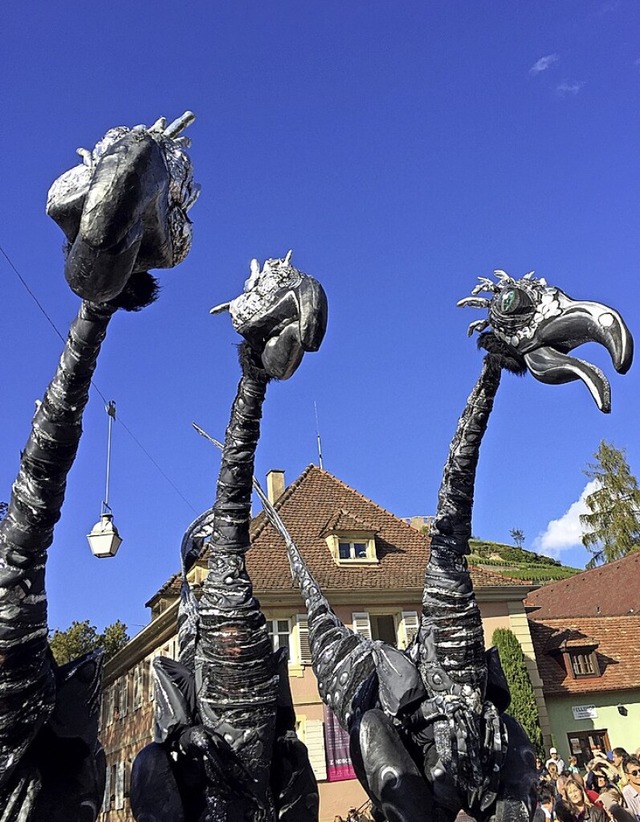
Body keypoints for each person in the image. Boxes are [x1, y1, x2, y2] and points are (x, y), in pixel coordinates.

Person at [621, 757, 640, 821]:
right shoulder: (626, 794)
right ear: (627, 776)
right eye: (634, 773)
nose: (639, 774)